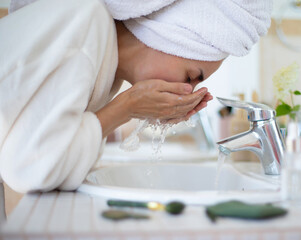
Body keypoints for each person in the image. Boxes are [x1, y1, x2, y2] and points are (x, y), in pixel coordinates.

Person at [0, 0, 273, 193]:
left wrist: (130, 107)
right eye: (192, 76)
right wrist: (127, 106)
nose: (188, 91)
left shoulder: (106, 63)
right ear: (169, 35)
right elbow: (29, 168)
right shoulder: (86, 22)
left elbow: (54, 160)